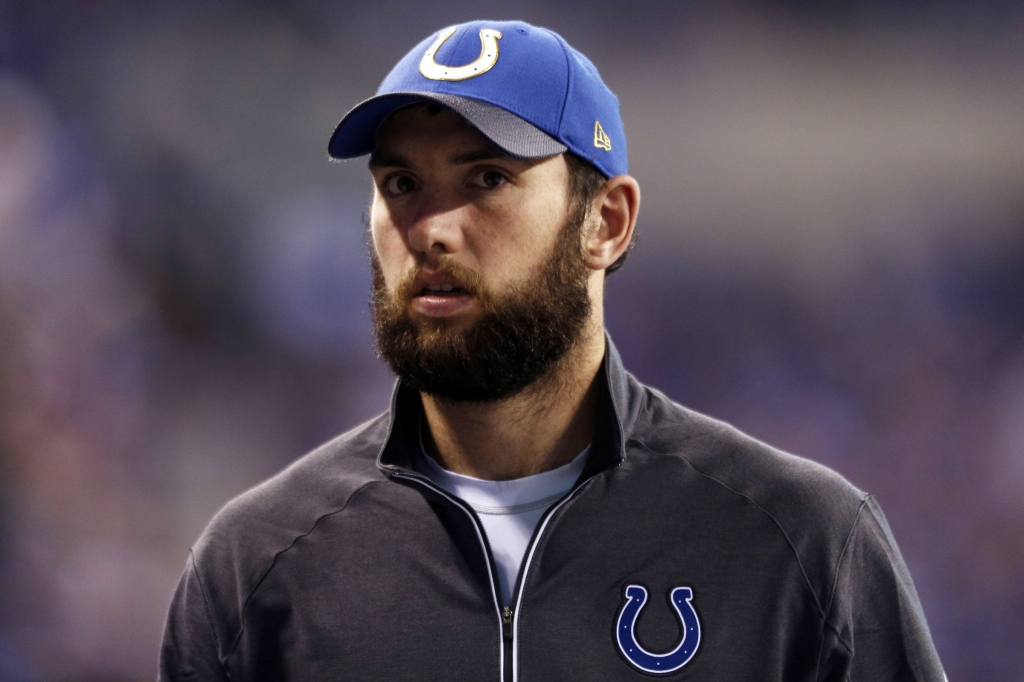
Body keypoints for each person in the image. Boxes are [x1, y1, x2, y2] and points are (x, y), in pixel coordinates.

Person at [159, 20, 946, 681]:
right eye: (401, 184)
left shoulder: (799, 541)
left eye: (489, 178)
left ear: (606, 221)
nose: (431, 228)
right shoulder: (257, 565)